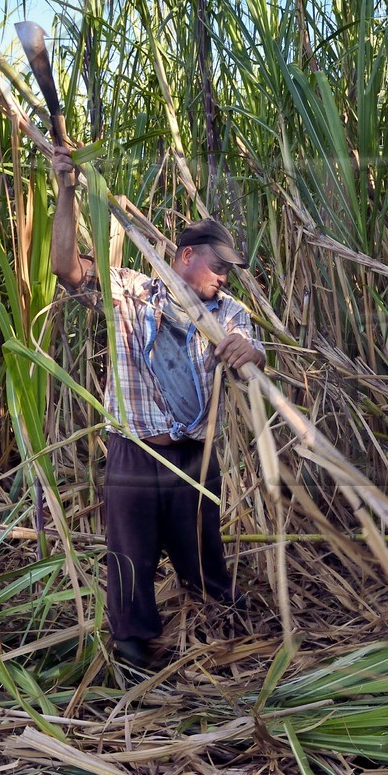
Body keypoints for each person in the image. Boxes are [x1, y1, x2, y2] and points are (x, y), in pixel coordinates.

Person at [48, 142, 266, 668]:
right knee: (130, 557)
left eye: (229, 272)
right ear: (187, 256)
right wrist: (66, 191)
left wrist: (250, 351)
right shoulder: (130, 290)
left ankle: (216, 615)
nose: (224, 279)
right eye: (219, 267)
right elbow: (65, 268)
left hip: (193, 455)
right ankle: (133, 645)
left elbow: (251, 349)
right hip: (135, 452)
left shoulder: (226, 310)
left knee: (202, 547)